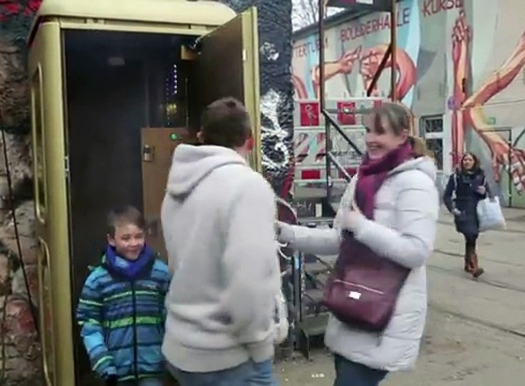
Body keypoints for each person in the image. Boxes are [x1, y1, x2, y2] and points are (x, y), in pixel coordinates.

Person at [277, 102, 439, 386]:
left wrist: (362, 227)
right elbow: (340, 239)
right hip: (351, 307)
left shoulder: (415, 183)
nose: (370, 139)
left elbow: (416, 251)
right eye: (367, 130)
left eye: (381, 132)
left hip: (384, 316)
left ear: (402, 136)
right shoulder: (363, 178)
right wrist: (286, 232)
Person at [160, 97, 281, 385]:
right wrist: (261, 343)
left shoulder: (177, 183)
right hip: (228, 357)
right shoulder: (248, 187)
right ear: (250, 141)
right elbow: (249, 282)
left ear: (201, 137)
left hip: (180, 347)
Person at [76, 206, 170, 386]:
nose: (134, 243)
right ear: (111, 240)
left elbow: (170, 317)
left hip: (154, 370)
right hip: (115, 372)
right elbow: (90, 325)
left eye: (139, 236)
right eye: (126, 238)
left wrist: (169, 358)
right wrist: (103, 363)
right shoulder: (97, 280)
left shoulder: (160, 273)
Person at [443, 152, 490, 278]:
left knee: (472, 236)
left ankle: (468, 263)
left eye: (470, 160)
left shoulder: (480, 176)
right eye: (465, 160)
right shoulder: (456, 177)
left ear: (475, 162)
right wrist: (453, 209)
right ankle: (474, 266)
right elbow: (446, 196)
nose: (467, 162)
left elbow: (488, 194)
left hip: (475, 210)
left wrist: (483, 191)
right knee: (470, 234)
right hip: (461, 209)